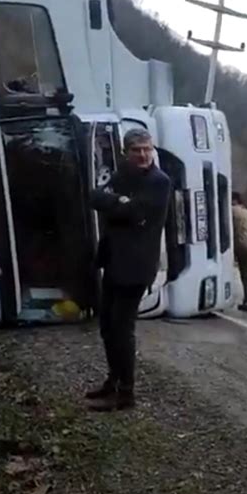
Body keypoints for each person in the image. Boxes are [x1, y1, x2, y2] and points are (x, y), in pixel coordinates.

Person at [86, 128, 171, 411]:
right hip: (113, 261)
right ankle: (113, 379)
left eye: (147, 149)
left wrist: (119, 204)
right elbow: (95, 196)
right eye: (137, 150)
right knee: (107, 327)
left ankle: (126, 393)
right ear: (126, 152)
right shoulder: (122, 174)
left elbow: (132, 212)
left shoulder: (159, 182)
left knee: (123, 329)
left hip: (136, 266)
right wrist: (118, 202)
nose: (144, 155)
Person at [232, 192, 247, 312]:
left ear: (234, 200)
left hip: (239, 245)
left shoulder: (232, 211)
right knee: (245, 276)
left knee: (225, 271)